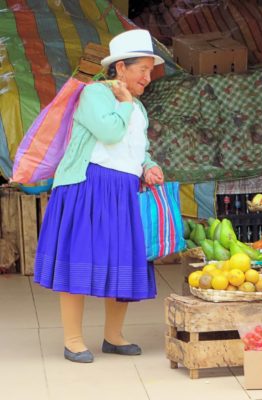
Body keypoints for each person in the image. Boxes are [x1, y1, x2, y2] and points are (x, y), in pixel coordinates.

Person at [33, 29, 164, 363]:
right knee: (80, 259)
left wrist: (148, 166)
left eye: (150, 71)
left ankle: (113, 336)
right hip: (87, 187)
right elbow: (108, 132)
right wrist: (123, 104)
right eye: (142, 70)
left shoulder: (138, 107)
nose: (148, 78)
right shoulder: (94, 95)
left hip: (122, 192)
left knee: (122, 261)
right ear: (120, 68)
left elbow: (137, 147)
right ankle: (74, 340)